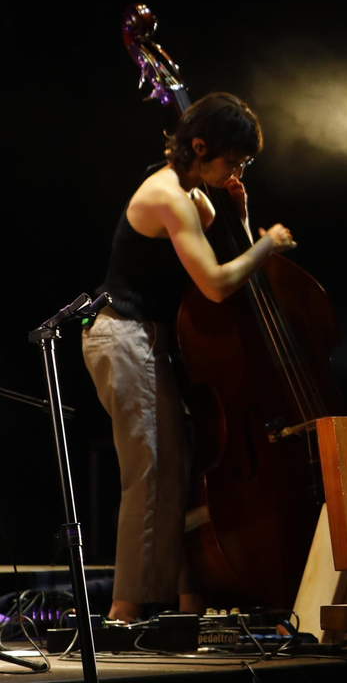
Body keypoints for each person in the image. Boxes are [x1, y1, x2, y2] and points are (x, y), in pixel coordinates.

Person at [83, 93, 296, 624]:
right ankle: (124, 613)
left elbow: (228, 258)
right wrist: (267, 242)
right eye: (233, 161)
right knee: (150, 474)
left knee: (174, 471)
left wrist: (243, 220)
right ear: (200, 147)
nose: (236, 172)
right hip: (123, 336)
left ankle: (189, 604)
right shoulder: (168, 197)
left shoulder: (195, 193)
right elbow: (220, 283)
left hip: (146, 339)